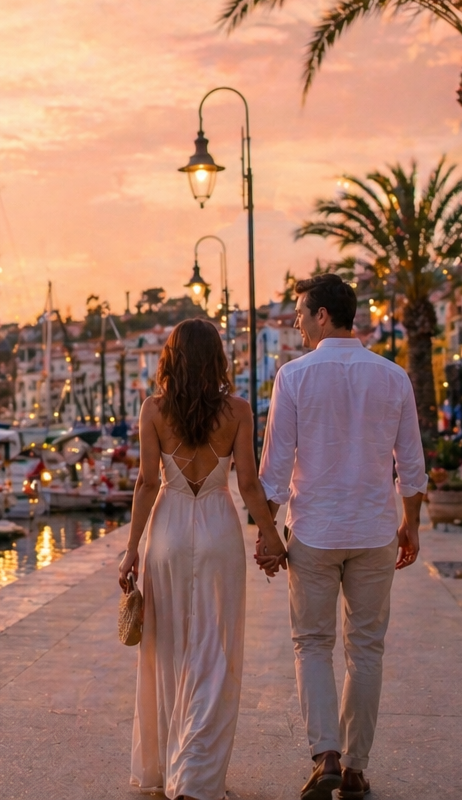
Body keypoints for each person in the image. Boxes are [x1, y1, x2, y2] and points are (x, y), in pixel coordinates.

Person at [255, 274, 426, 800]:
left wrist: (267, 535)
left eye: (302, 314)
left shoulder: (295, 376)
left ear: (323, 315)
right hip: (374, 530)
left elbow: (275, 468)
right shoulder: (393, 376)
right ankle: (354, 767)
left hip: (315, 532)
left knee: (312, 644)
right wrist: (410, 525)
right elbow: (413, 468)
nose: (297, 324)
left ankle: (325, 754)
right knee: (367, 649)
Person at [119, 318, 284, 800]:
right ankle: (197, 772)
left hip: (167, 532)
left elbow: (148, 483)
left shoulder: (153, 410)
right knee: (216, 651)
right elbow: (249, 485)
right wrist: (271, 537)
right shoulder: (237, 410)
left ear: (171, 358)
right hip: (218, 530)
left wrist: (131, 550)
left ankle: (174, 765)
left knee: (167, 649)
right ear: (216, 359)